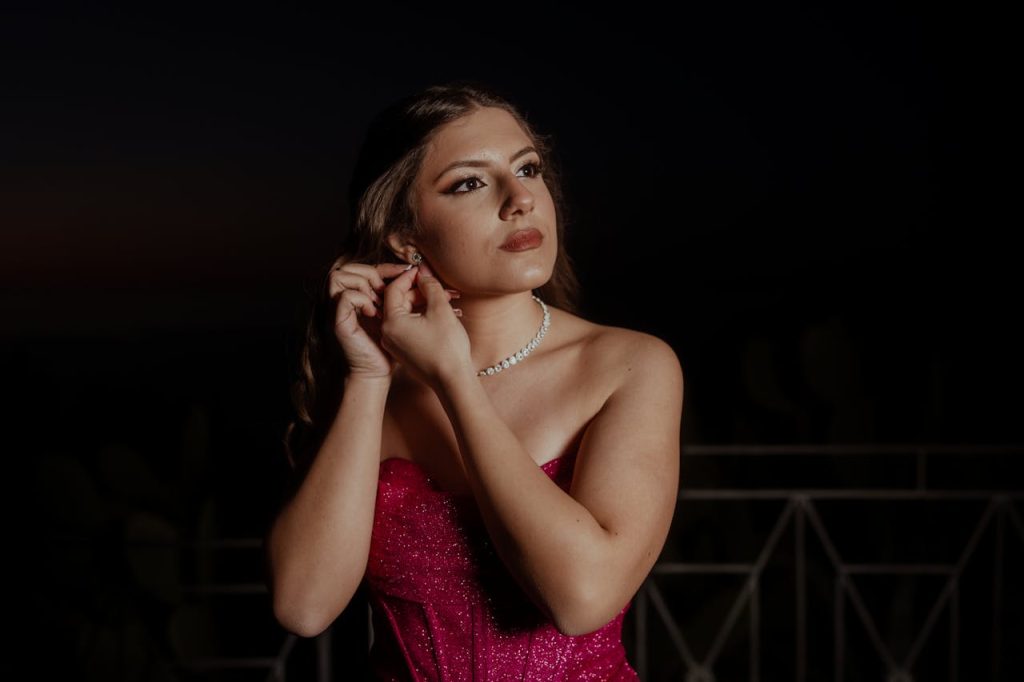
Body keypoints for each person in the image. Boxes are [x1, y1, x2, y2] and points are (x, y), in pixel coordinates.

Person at [264, 80, 684, 680]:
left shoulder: (629, 365)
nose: (521, 199)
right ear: (406, 238)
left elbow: (582, 599)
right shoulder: (372, 385)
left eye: (528, 169)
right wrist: (369, 375)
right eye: (469, 183)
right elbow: (304, 607)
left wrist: (456, 380)